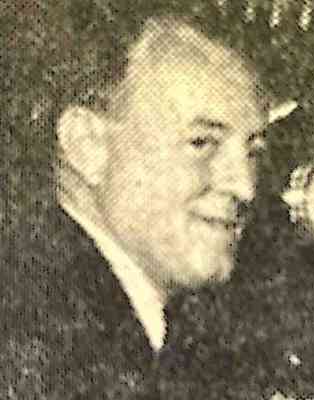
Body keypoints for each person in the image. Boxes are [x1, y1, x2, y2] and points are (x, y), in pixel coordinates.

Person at [1, 13, 298, 399]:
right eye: (202, 143)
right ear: (88, 146)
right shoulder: (26, 333)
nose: (245, 186)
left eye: (253, 151)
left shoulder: (137, 323)